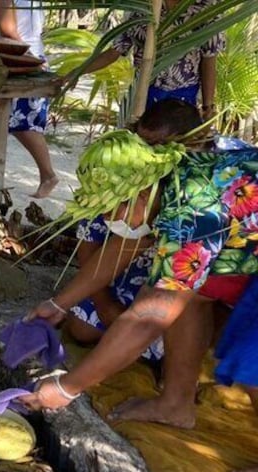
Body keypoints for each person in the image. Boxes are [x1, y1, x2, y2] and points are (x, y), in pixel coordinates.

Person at [18, 119, 258, 435]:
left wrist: (68, 387)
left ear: (140, 196)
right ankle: (175, 404)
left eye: (109, 211)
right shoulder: (163, 183)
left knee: (249, 353)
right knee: (192, 296)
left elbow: (149, 316)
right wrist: (60, 303)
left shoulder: (192, 211)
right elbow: (127, 245)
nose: (106, 219)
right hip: (244, 239)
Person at [66, 100, 205, 363]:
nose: (146, 154)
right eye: (142, 143)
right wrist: (103, 303)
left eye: (156, 147)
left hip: (180, 287)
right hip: (124, 279)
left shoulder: (196, 195)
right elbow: (99, 249)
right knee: (82, 328)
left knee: (179, 341)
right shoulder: (117, 180)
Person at [65, 0, 224, 120]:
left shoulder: (205, 8)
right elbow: (114, 52)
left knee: (175, 152)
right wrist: (77, 72)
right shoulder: (142, 8)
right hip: (143, 93)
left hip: (183, 98)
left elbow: (209, 58)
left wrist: (208, 106)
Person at [0, 0, 58, 198]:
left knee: (14, 122)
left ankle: (47, 175)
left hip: (17, 63)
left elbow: (8, 31)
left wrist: (30, 59)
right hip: (25, 60)